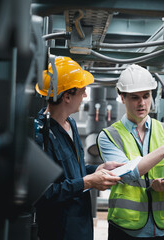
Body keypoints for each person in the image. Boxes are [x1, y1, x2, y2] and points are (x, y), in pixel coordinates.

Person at [97, 64, 164, 240]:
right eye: (135, 97)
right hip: (126, 229)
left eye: (146, 96)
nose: (142, 103)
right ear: (122, 97)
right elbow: (128, 174)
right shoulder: (109, 136)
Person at [34, 56, 123, 240]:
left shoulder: (71, 124)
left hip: (80, 226)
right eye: (82, 91)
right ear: (67, 96)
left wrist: (96, 169)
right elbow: (43, 193)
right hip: (58, 231)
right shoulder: (40, 134)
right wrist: (88, 182)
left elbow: (73, 171)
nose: (84, 96)